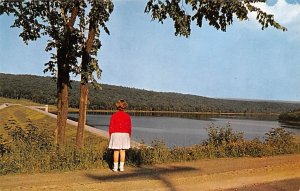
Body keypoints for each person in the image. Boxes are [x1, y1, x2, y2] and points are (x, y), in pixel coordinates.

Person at [108, 99, 132, 172]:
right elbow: (129, 127)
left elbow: (111, 127)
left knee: (116, 151)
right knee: (122, 151)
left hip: (115, 134)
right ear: (125, 107)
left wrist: (110, 135)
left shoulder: (114, 115)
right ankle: (121, 167)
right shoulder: (127, 116)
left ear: (117, 106)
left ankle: (115, 168)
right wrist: (129, 136)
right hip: (125, 134)